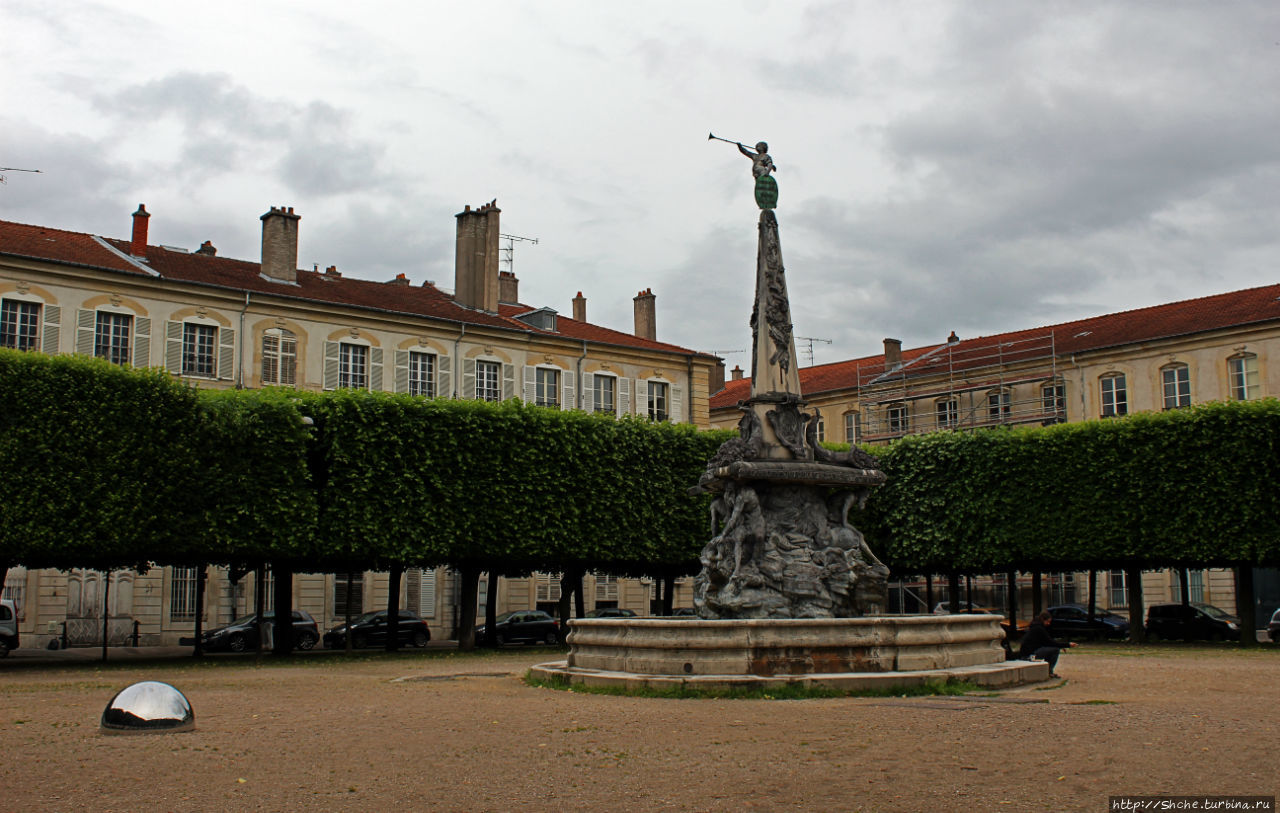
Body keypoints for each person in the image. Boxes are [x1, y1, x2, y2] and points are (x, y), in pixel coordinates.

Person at [1018, 610, 1077, 677]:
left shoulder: (1035, 627)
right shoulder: (1039, 629)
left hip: (1027, 653)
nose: (1048, 624)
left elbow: (1047, 642)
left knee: (1052, 649)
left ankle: (1048, 671)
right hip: (1030, 655)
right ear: (1043, 619)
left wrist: (1061, 645)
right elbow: (1050, 642)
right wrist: (1067, 644)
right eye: (1048, 621)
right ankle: (1049, 671)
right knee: (1055, 650)